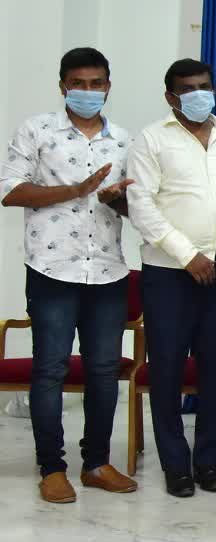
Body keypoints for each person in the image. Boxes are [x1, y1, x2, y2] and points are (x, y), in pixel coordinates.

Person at [0, 47, 137, 503]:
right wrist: (76, 190)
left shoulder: (124, 140)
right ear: (63, 86)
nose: (88, 91)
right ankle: (52, 468)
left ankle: (96, 463)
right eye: (79, 83)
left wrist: (117, 199)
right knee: (50, 369)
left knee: (104, 370)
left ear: (108, 87)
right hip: (51, 268)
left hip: (108, 270)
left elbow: (134, 208)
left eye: (97, 83)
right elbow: (10, 190)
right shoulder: (37, 130)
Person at [127, 59, 216, 498]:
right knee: (167, 371)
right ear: (170, 97)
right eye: (188, 89)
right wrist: (187, 254)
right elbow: (141, 206)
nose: (199, 95)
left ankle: (209, 462)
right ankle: (175, 466)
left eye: (205, 86)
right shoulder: (151, 139)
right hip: (168, 273)